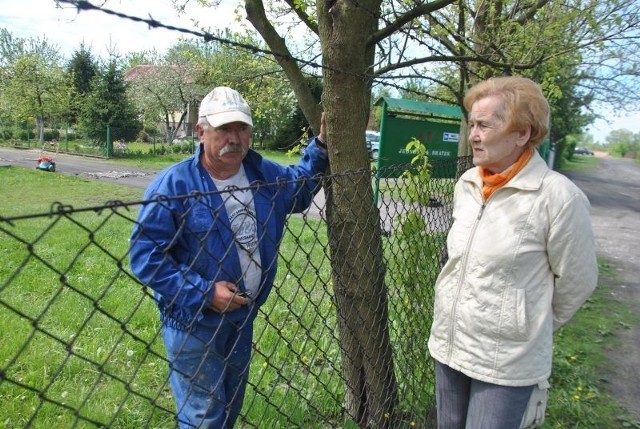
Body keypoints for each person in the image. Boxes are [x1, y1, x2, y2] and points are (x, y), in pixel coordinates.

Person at [129, 86, 329, 428]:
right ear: (201, 132)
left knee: (228, 410)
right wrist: (204, 292)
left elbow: (298, 188)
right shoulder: (174, 185)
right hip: (194, 321)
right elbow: (145, 256)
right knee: (203, 417)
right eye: (224, 129)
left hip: (241, 318)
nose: (234, 138)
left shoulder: (262, 174)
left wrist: (321, 146)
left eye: (241, 128)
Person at [427, 76, 598, 429]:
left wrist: (526, 323)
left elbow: (577, 280)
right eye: (472, 124)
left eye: (485, 125)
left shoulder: (558, 197)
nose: (473, 134)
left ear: (522, 133)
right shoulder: (468, 183)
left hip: (505, 360)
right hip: (449, 342)